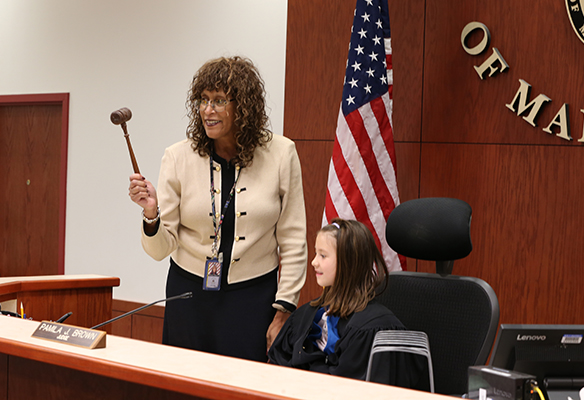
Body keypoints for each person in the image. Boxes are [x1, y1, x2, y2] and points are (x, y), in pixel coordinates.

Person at [128, 56, 307, 362]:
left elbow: (293, 240)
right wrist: (151, 214)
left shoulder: (281, 153)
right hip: (189, 296)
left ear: (244, 107)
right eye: (203, 100)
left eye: (219, 101)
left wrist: (283, 310)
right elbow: (160, 250)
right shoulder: (177, 157)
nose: (207, 110)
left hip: (253, 299)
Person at [268, 218, 426, 388]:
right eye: (315, 254)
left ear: (348, 261)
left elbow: (356, 389)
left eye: (323, 255)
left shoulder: (373, 328)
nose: (314, 262)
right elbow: (277, 370)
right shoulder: (304, 316)